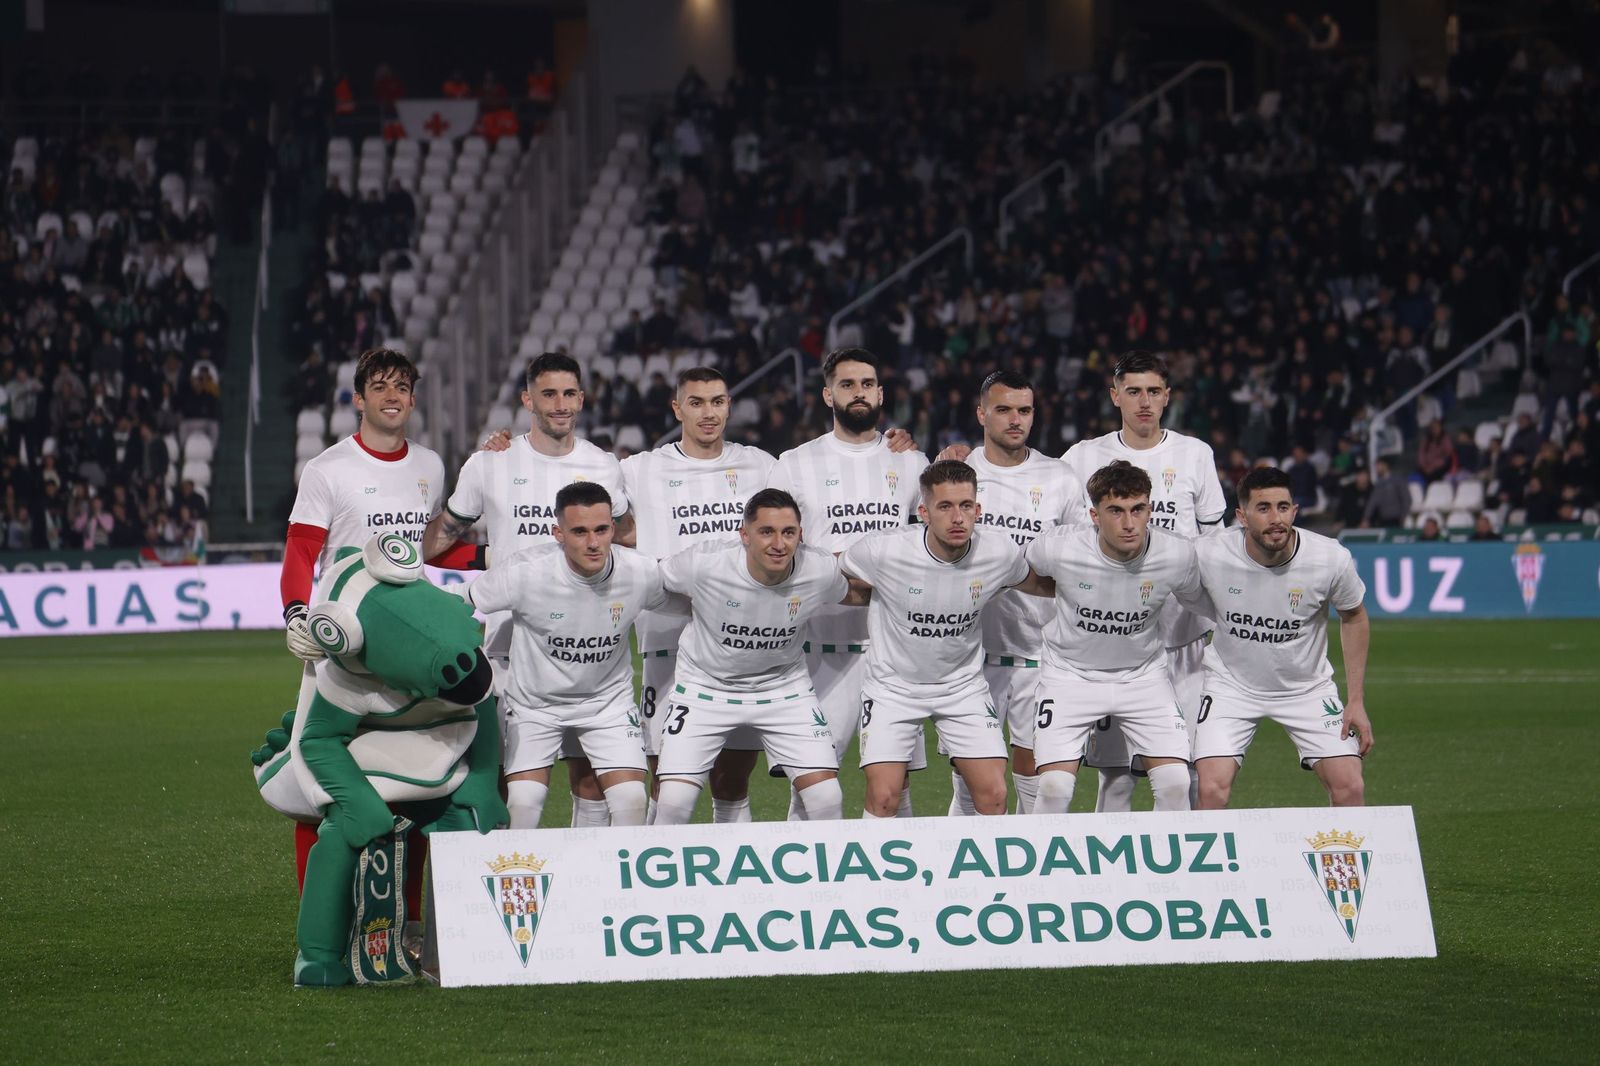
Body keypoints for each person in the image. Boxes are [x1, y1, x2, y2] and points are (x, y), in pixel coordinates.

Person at [278, 347, 480, 933]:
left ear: (413, 400)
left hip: (407, 649)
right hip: (342, 644)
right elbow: (301, 550)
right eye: (380, 386)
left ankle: (407, 924)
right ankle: (324, 923)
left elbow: (425, 549)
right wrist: (296, 613)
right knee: (319, 787)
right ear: (359, 399)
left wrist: (488, 557)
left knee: (414, 782)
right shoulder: (328, 470)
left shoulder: (430, 465)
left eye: (403, 387)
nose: (393, 396)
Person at [422, 351, 634, 829]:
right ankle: (500, 886)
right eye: (548, 394)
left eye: (569, 393)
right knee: (501, 778)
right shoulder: (491, 463)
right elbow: (445, 536)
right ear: (527, 400)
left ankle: (586, 888)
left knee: (589, 781)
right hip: (505, 650)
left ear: (582, 398)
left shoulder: (602, 464)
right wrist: (395, 558)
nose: (560, 404)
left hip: (586, 647)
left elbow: (626, 534)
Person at [767, 347, 929, 818]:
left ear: (880, 392)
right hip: (818, 652)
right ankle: (803, 887)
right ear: (827, 394)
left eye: (867, 384)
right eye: (847, 385)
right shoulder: (794, 464)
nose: (858, 393)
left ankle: (897, 887)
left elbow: (928, 545)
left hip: (892, 653)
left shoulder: (911, 463)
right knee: (811, 791)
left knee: (894, 791)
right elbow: (776, 546)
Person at [1060, 351, 1224, 812]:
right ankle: (1113, 877)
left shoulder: (1195, 455)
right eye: (1133, 392)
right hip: (1114, 642)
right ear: (1116, 396)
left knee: (1184, 769)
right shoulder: (1083, 457)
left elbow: (1213, 540)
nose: (1144, 402)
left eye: (1154, 392)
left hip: (1184, 640)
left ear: (1168, 396)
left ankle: (1182, 870)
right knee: (1115, 776)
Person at [840, 461, 1052, 818]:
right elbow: (830, 576)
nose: (958, 517)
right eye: (945, 507)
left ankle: (982, 873)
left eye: (966, 506)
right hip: (893, 688)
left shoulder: (998, 552)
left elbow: (1041, 584)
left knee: (994, 794)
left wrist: (1103, 585)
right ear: (923, 512)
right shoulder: (882, 551)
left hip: (962, 687)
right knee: (884, 797)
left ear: (978, 509)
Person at [451, 483, 662, 829]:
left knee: (631, 800)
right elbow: (460, 601)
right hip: (535, 707)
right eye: (579, 532)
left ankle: (597, 879)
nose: (593, 543)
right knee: (522, 803)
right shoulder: (525, 572)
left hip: (607, 705)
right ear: (558, 533)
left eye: (602, 530)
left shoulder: (640, 571)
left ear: (613, 529)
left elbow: (690, 600)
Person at [620, 366, 777, 823]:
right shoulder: (639, 469)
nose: (709, 413)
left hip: (742, 641)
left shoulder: (762, 465)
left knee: (732, 778)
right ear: (678, 408)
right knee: (664, 774)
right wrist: (509, 449)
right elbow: (574, 476)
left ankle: (732, 884)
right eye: (697, 403)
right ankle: (655, 877)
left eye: (718, 401)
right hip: (667, 635)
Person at [652, 489, 862, 825]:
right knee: (674, 802)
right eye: (766, 532)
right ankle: (658, 874)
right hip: (705, 689)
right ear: (744, 535)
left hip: (784, 689)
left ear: (800, 535)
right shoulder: (705, 563)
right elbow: (651, 582)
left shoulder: (819, 569)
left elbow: (851, 592)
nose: (779, 544)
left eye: (788, 533)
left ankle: (818, 876)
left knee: (826, 797)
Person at [1023, 460, 1209, 815]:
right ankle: (1048, 870)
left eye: (1138, 509)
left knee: (1175, 784)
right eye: (1116, 511)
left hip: (1143, 677)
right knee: (1054, 787)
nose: (1129, 523)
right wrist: (1064, 592)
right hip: (1068, 676)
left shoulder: (1176, 554)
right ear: (1094, 515)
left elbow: (1201, 600)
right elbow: (1022, 573)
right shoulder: (1059, 547)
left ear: (1150, 508)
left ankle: (1166, 871)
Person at [1191, 466, 1373, 808]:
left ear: (1295, 510)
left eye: (1283, 507)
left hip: (1306, 688)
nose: (1276, 518)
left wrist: (1356, 701)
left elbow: (1354, 616)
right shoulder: (1208, 552)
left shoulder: (1330, 557)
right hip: (1231, 686)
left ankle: (1348, 861)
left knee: (1350, 786)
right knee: (1211, 788)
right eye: (1263, 508)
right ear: (1242, 517)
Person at [948, 370, 1085, 816]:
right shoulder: (959, 473)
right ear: (981, 413)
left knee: (1037, 781)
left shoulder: (1060, 477)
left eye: (1024, 410)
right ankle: (962, 876)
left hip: (1039, 653)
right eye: (1003, 409)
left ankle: (1035, 876)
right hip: (971, 657)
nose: (1015, 419)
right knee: (971, 787)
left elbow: (1077, 560)